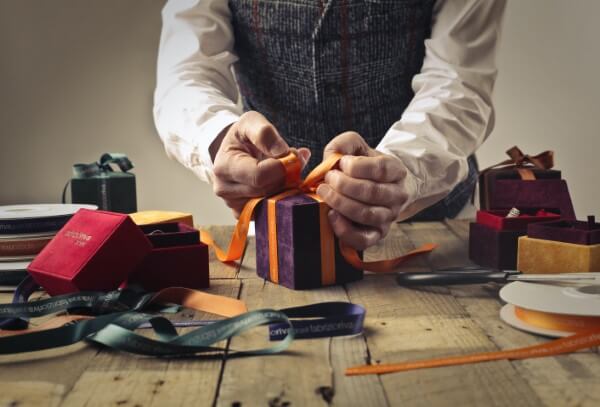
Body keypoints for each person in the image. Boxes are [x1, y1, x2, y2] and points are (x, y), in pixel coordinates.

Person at [153, 0, 506, 250]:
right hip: (279, 237)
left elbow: (460, 80)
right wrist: (216, 139)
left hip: (439, 234)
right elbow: (185, 72)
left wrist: (404, 171)